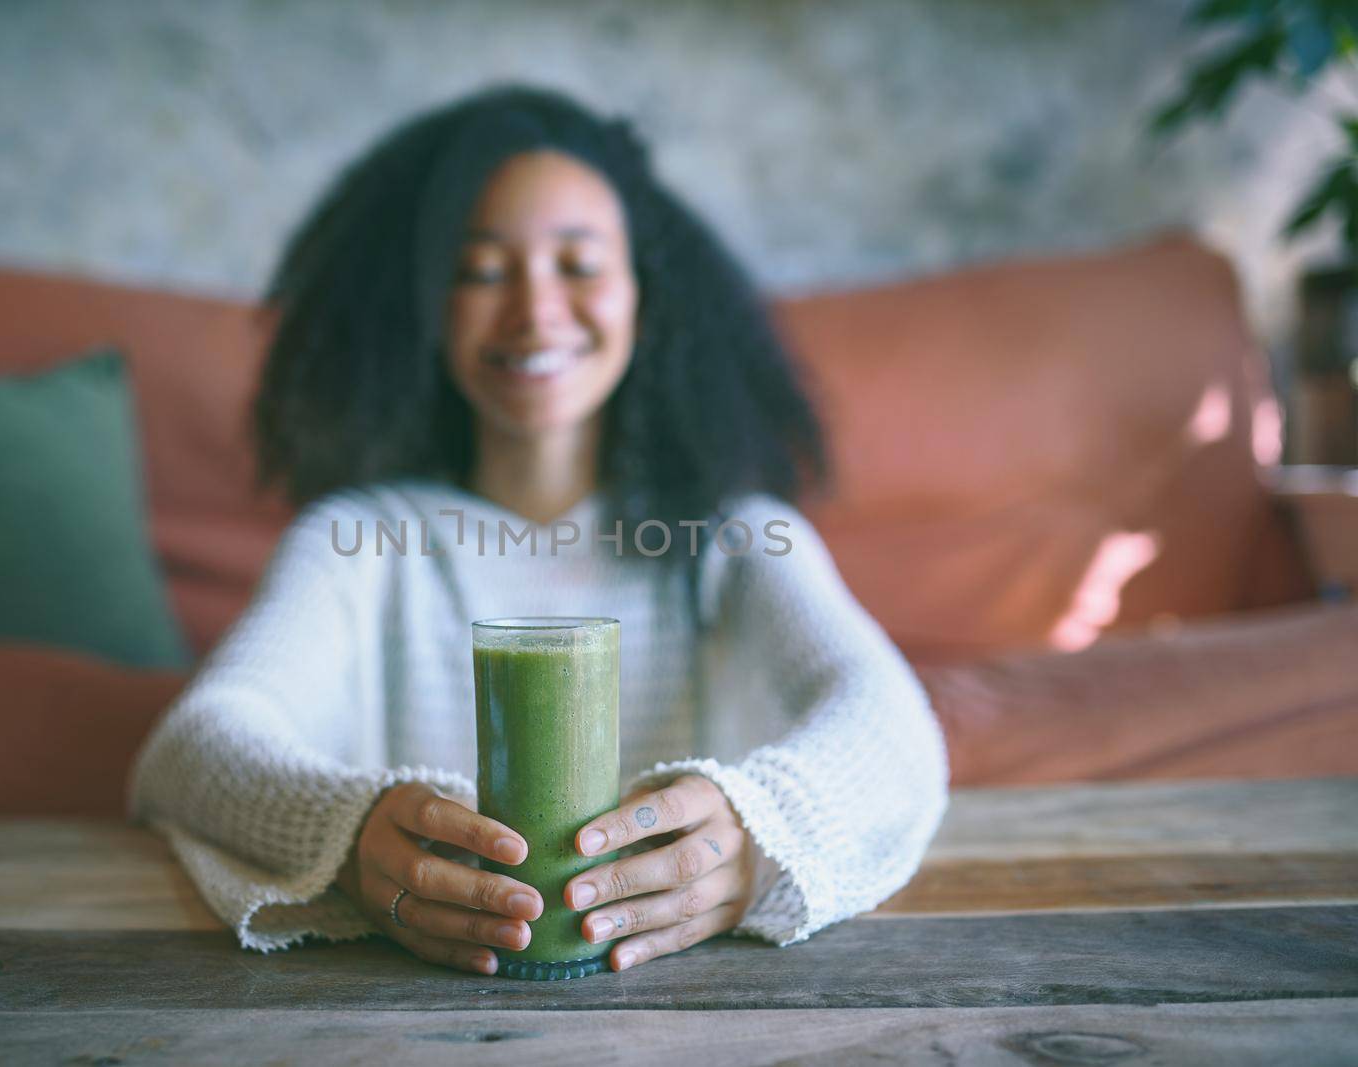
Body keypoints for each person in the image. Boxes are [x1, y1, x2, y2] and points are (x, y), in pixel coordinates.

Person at [128, 85, 948, 977]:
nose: (535, 310)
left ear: (646, 293)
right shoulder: (358, 543)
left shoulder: (736, 539)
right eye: (480, 271)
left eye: (580, 264)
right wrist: (345, 831)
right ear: (425, 311)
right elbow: (194, 746)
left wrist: (762, 827)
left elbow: (893, 725)